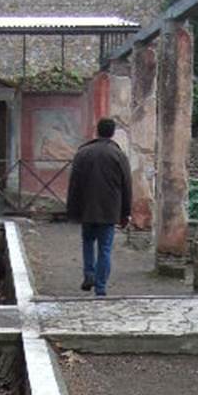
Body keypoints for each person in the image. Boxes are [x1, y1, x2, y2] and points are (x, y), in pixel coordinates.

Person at [66, 117, 132, 297]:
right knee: (105, 249)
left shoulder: (83, 153)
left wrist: (72, 210)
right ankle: (100, 288)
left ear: (97, 131)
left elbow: (74, 184)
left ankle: (89, 274)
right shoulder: (118, 155)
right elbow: (127, 186)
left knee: (88, 242)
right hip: (110, 210)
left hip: (87, 208)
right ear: (112, 133)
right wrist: (126, 212)